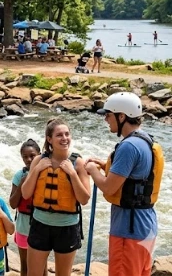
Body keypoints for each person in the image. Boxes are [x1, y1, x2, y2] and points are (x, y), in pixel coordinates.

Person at [86, 92, 163, 276]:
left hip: (128, 230)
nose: (106, 119)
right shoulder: (145, 140)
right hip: (146, 227)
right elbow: (136, 177)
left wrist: (91, 169)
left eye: (108, 115)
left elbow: (109, 187)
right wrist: (106, 166)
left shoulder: (129, 146)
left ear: (122, 116)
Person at [20, 119, 91, 276]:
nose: (64, 138)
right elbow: (25, 193)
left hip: (67, 228)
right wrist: (37, 169)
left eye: (67, 134)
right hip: (40, 225)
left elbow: (84, 199)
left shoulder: (78, 163)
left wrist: (72, 174)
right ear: (49, 139)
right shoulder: (39, 160)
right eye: (59, 135)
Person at [9, 139, 45, 276]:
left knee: (42, 266)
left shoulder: (45, 174)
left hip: (41, 225)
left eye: (32, 156)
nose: (29, 159)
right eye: (25, 157)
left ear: (40, 154)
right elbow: (13, 204)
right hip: (23, 226)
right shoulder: (19, 176)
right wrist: (22, 185)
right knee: (24, 265)